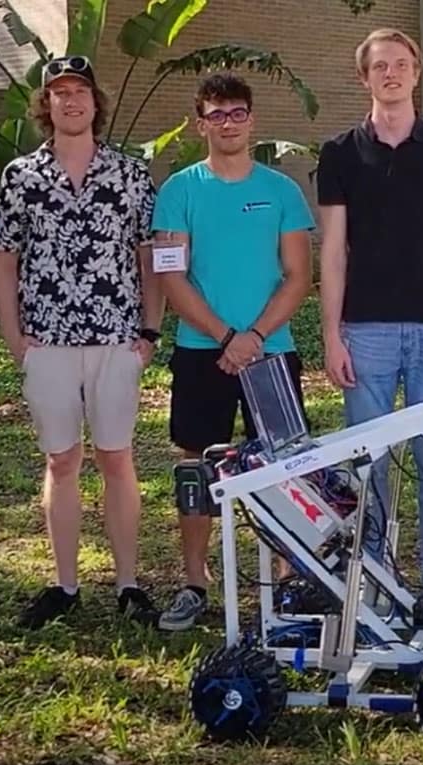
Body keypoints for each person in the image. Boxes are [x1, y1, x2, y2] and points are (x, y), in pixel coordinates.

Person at [0, 56, 162, 629]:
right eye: (59, 93)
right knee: (61, 460)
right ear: (47, 104)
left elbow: (148, 257)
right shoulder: (21, 176)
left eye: (80, 92)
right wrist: (16, 339)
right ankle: (64, 585)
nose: (71, 101)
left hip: (117, 338)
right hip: (49, 341)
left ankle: (129, 584)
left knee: (116, 457)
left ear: (95, 102)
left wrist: (149, 332)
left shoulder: (131, 174)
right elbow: (5, 259)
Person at [316, 28, 423, 621]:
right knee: (369, 468)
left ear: (416, 73)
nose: (391, 74)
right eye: (379, 66)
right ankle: (376, 580)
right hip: (366, 331)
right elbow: (333, 252)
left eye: (401, 64)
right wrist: (330, 333)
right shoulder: (338, 154)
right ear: (365, 78)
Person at [151, 74, 315, 631]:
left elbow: (298, 277)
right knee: (195, 467)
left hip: (271, 352)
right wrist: (226, 337)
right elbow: (171, 280)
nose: (228, 122)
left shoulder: (281, 191)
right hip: (202, 352)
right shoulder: (179, 191)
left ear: (252, 119)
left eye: (236, 112)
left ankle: (291, 581)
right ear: (201, 124)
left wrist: (253, 338)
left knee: (284, 464)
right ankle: (195, 583)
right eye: (216, 114)